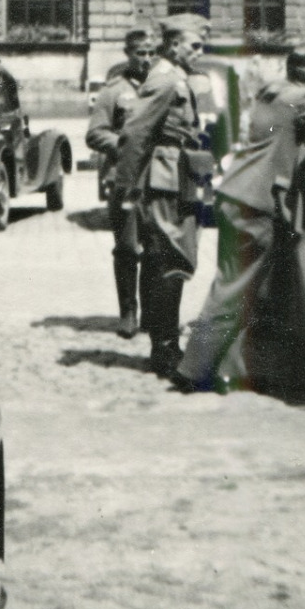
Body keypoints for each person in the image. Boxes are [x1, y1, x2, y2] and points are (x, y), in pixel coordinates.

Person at [175, 47, 305, 393]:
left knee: (250, 283)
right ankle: (193, 370)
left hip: (237, 191)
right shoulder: (302, 97)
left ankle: (234, 368)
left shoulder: (270, 93)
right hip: (255, 200)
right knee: (235, 286)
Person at [114, 19, 208, 378]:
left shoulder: (177, 76)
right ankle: (166, 349)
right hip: (165, 177)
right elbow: (136, 131)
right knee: (171, 259)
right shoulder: (165, 78)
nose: (199, 52)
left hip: (178, 174)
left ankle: (163, 345)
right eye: (194, 45)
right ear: (172, 45)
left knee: (164, 259)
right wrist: (126, 187)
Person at [86, 27, 153, 338]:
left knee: (155, 249)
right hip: (124, 180)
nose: (147, 59)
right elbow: (95, 132)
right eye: (141, 53)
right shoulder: (113, 92)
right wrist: (123, 145)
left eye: (152, 53)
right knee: (127, 248)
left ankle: (153, 313)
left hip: (156, 179)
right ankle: (128, 311)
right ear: (128, 55)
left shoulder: (160, 88)